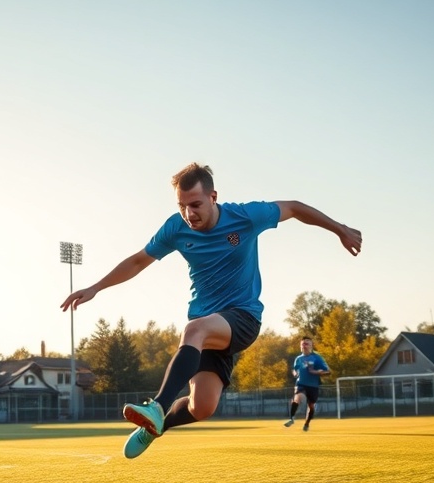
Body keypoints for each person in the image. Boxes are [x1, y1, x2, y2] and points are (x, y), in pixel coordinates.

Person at [60, 162, 362, 458]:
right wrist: (96, 287)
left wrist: (340, 229)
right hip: (206, 326)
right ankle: (156, 426)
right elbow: (139, 260)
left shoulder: (245, 217)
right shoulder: (176, 228)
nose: (189, 214)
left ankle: (157, 407)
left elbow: (294, 208)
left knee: (194, 329)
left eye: (195, 204)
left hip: (242, 317)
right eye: (182, 206)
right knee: (201, 406)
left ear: (213, 197)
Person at [284, 337, 330, 431]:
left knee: (311, 406)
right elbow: (294, 369)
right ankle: (292, 418)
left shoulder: (317, 358)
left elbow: (328, 371)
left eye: (307, 344)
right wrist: (295, 373)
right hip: (300, 383)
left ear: (311, 346)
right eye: (302, 344)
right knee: (297, 398)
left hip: (313, 386)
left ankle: (307, 423)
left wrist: (316, 372)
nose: (304, 346)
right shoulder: (298, 359)